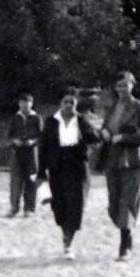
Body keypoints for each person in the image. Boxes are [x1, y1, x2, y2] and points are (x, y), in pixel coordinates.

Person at [99, 70, 140, 261]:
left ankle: (125, 244)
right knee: (114, 204)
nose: (121, 89)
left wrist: (124, 138)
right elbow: (105, 127)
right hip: (113, 161)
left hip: (133, 162)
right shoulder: (112, 108)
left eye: (125, 85)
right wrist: (104, 133)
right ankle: (125, 230)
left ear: (132, 85)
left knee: (127, 201)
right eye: (118, 86)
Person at [41, 87, 100, 260]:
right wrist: (40, 171)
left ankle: (69, 242)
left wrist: (87, 152)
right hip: (57, 169)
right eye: (65, 102)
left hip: (77, 169)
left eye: (71, 102)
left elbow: (95, 141)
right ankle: (65, 233)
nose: (68, 105)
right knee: (59, 207)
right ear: (60, 104)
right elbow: (43, 147)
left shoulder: (81, 121)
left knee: (75, 205)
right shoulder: (51, 121)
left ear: (76, 105)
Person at [6, 91, 44, 218]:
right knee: (15, 181)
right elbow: (8, 135)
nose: (24, 105)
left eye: (27, 103)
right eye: (22, 103)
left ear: (31, 104)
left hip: (31, 153)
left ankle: (29, 208)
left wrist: (33, 141)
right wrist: (13, 141)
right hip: (17, 152)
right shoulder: (15, 118)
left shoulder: (36, 118)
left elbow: (43, 136)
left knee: (31, 180)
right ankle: (14, 207)